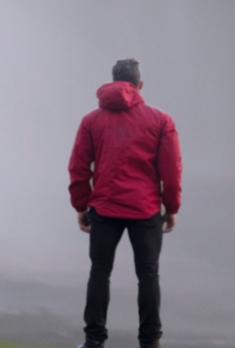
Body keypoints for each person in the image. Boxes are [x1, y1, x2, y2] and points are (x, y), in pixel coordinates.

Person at [68, 57, 182, 348]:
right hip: (145, 210)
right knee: (148, 274)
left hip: (105, 208)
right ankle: (150, 342)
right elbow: (171, 170)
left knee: (100, 272)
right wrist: (171, 208)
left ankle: (93, 341)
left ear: (114, 81)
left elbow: (79, 167)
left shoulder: (91, 120)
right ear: (139, 85)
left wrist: (81, 205)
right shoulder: (161, 120)